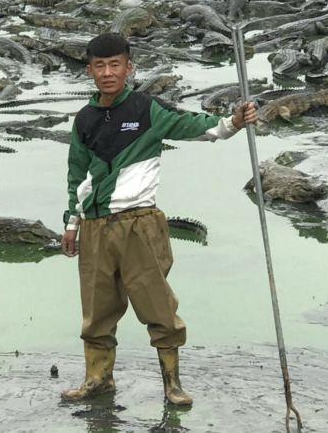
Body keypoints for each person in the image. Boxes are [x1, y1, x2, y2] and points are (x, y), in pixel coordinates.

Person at [61, 33, 258, 406]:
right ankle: (98, 379)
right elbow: (77, 175)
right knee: (97, 311)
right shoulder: (84, 120)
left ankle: (172, 384)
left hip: (139, 224)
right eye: (99, 66)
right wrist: (72, 224)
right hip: (95, 227)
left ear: (128, 68)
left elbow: (198, 127)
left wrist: (233, 122)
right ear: (89, 71)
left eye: (115, 64)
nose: (107, 73)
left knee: (158, 307)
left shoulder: (145, 110)